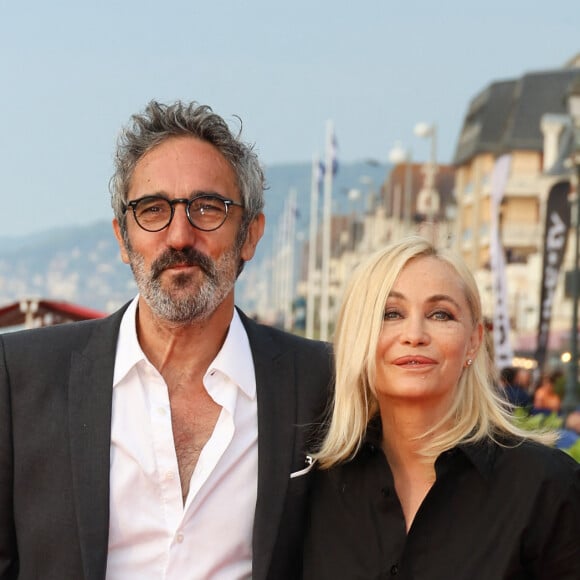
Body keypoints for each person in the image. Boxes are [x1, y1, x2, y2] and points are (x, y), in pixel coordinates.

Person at [0, 100, 332, 580]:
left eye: (206, 208)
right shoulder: (21, 378)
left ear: (250, 235)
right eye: (153, 209)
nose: (179, 235)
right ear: (122, 237)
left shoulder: (322, 383)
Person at [303, 236, 580, 579]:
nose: (414, 334)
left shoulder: (545, 486)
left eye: (440, 314)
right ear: (357, 336)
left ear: (473, 341)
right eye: (391, 313)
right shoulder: (312, 487)